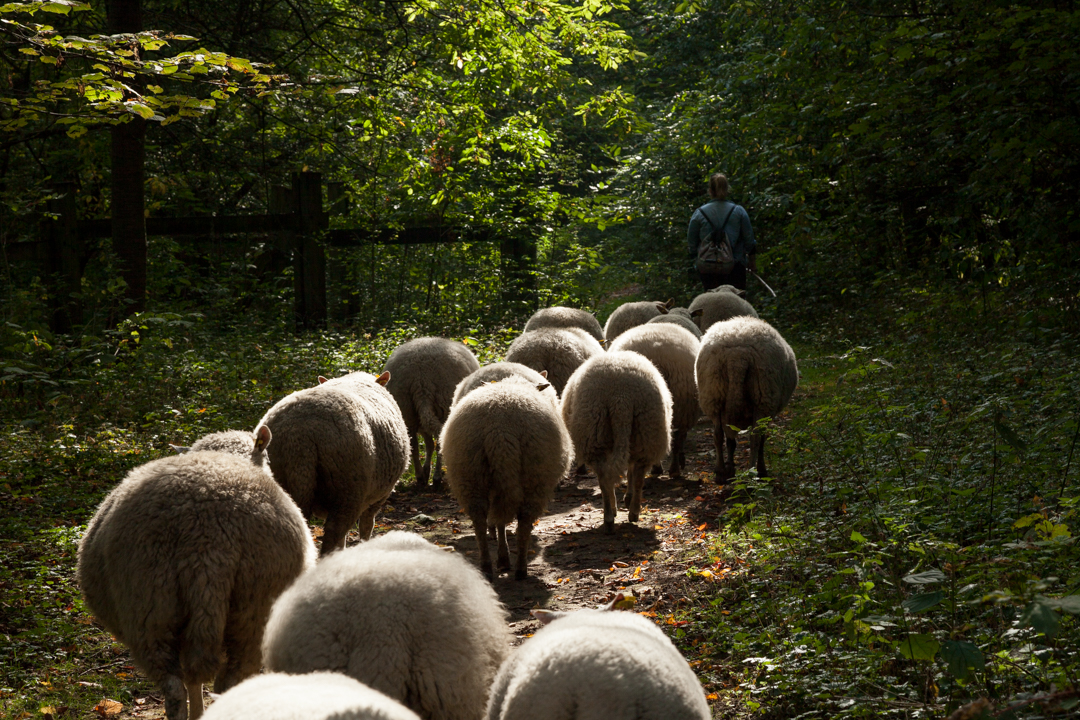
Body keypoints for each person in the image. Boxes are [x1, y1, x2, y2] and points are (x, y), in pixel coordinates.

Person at [686, 173, 757, 291]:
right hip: (735, 266)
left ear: (710, 191)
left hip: (707, 266)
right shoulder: (738, 211)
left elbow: (691, 243)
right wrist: (752, 263)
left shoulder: (699, 213)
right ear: (727, 189)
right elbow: (749, 240)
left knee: (712, 304)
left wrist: (696, 259)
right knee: (736, 304)